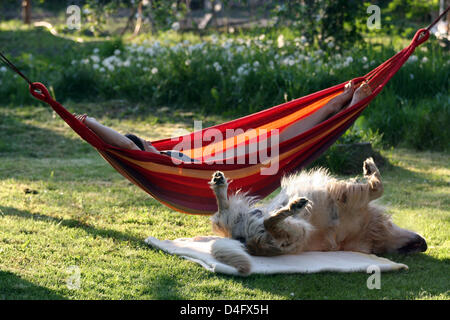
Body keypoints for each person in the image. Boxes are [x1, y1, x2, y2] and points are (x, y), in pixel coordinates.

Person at [74, 81, 371, 162]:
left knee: (284, 138)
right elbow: (126, 145)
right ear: (145, 150)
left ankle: (336, 108)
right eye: (146, 144)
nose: (149, 143)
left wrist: (87, 123)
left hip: (223, 158)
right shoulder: (157, 161)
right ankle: (339, 109)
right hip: (224, 165)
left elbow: (127, 144)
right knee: (285, 140)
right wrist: (87, 123)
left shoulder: (164, 158)